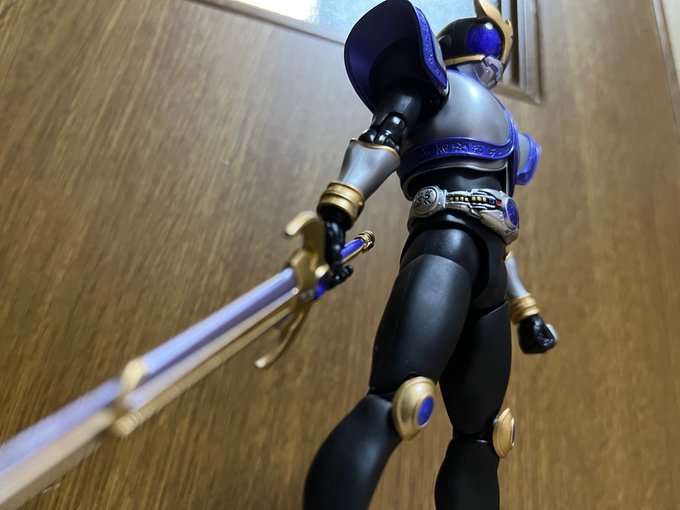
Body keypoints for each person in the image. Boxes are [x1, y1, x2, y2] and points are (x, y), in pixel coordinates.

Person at [305, 1, 557, 508]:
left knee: (486, 436)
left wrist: (526, 311)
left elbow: (499, 231)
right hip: (444, 246)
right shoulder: (431, 85)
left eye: (498, 57)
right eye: (486, 47)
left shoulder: (509, 131)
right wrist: (338, 209)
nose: (493, 63)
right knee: (400, 400)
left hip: (489, 272)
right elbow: (382, 140)